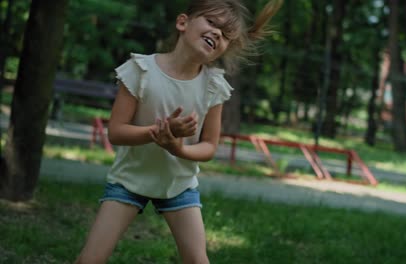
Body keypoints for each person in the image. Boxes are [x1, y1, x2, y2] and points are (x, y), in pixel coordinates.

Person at [75, 0, 282, 263]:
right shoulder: (141, 70)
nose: (218, 33)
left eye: (226, 35)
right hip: (130, 180)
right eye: (212, 23)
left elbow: (209, 147)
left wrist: (178, 148)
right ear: (182, 22)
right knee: (89, 260)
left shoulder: (214, 86)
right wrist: (160, 131)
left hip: (179, 186)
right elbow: (116, 132)